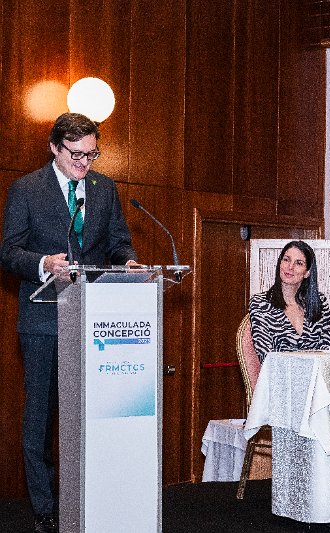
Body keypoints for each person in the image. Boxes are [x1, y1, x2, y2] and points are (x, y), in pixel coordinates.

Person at [0, 112, 138, 533]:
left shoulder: (104, 188)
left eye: (91, 154)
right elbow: (8, 251)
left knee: (92, 416)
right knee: (40, 420)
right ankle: (44, 509)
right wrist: (43, 263)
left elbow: (117, 241)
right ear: (54, 148)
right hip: (43, 321)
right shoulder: (26, 190)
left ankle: (91, 498)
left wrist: (128, 262)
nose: (84, 163)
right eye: (76, 155)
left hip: (96, 321)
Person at [249, 240, 330, 362]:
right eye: (286, 260)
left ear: (307, 272)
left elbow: (327, 350)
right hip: (278, 372)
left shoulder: (320, 302)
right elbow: (266, 356)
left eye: (299, 263)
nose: (290, 267)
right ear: (280, 263)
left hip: (317, 372)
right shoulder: (260, 303)